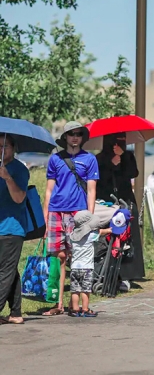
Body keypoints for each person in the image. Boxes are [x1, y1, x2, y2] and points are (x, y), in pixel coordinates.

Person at [43, 121, 99, 316]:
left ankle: (75, 302)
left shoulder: (90, 159)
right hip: (56, 211)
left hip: (79, 214)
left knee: (78, 258)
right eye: (71, 134)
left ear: (82, 137)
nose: (75, 137)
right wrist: (45, 218)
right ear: (65, 137)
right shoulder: (55, 159)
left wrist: (89, 219)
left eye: (79, 134)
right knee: (59, 258)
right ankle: (57, 303)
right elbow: (49, 190)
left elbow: (92, 190)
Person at [95, 132, 145, 283]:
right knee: (110, 238)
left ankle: (130, 273)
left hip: (126, 200)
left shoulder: (128, 156)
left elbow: (133, 173)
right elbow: (99, 178)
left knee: (130, 237)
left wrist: (122, 158)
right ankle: (106, 271)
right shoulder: (99, 158)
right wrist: (111, 164)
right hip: (106, 203)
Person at [0, 134, 29, 325]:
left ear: (13, 148)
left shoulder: (19, 169)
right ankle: (16, 313)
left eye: (5, 146)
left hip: (12, 229)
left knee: (4, 272)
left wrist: (7, 177)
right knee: (10, 271)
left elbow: (19, 198)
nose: (1, 150)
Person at [68, 210, 111, 317]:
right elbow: (101, 232)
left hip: (74, 268)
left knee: (75, 290)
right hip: (86, 268)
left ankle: (75, 309)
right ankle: (85, 309)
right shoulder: (91, 235)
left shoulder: (72, 236)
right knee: (85, 290)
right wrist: (110, 230)